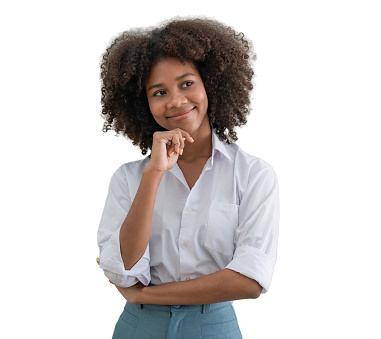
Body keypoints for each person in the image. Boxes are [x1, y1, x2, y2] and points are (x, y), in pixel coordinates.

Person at [96, 17, 279, 338]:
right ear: (144, 104)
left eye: (186, 83)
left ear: (210, 82)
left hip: (212, 326)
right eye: (159, 92)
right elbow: (125, 270)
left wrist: (145, 295)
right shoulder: (128, 178)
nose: (176, 101)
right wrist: (153, 174)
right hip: (139, 327)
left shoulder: (253, 174)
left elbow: (249, 280)